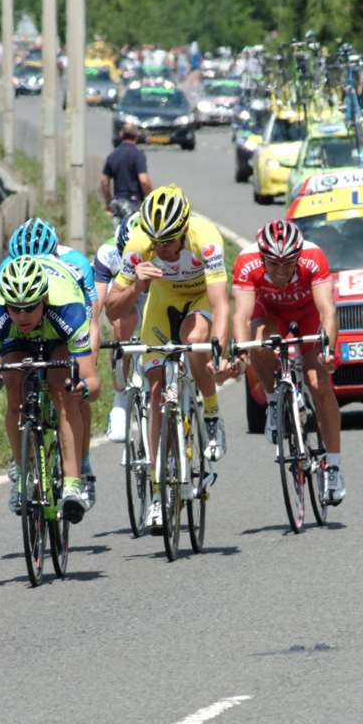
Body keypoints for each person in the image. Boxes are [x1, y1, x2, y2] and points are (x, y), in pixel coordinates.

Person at [104, 185, 232, 530]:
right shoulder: (139, 245)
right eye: (158, 244)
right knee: (157, 391)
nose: (164, 250)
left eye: (170, 242)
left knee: (194, 342)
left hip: (199, 300)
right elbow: (113, 309)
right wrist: (136, 286)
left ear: (184, 230)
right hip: (161, 305)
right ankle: (160, 494)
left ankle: (211, 414)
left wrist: (219, 348)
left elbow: (221, 303)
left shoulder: (205, 238)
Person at [0, 254, 101, 521]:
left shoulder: (68, 308)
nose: (22, 315)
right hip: (16, 343)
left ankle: (73, 482)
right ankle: (23, 476)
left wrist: (82, 388)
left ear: (44, 300)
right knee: (14, 393)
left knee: (63, 392)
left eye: (29, 307)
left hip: (59, 335)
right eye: (15, 308)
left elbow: (93, 383)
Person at [230, 219, 345, 504]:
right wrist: (239, 353)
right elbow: (241, 315)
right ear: (261, 258)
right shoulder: (246, 262)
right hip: (270, 315)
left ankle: (333, 466)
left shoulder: (313, 257)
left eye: (288, 264)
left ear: (298, 256)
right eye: (273, 264)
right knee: (258, 342)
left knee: (319, 384)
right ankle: (272, 401)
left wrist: (328, 350)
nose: (280, 272)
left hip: (308, 315)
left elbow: (327, 310)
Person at [0, 217, 100, 504]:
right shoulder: (8, 271)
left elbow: (90, 324)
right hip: (24, 328)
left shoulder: (76, 265)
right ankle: (22, 466)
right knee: (13, 387)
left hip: (64, 324)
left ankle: (82, 465)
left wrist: (85, 375)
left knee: (68, 392)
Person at [101, 122, 151, 207]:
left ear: (121, 135)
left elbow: (104, 182)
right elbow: (144, 180)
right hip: (135, 203)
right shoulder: (138, 155)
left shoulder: (113, 155)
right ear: (136, 137)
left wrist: (108, 202)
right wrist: (151, 197)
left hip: (118, 203)